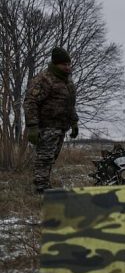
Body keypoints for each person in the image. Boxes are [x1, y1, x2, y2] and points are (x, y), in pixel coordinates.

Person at [24, 47, 79, 193]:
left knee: (52, 157)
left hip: (61, 126)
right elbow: (31, 102)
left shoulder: (68, 82)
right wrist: (33, 126)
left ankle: (44, 184)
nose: (67, 67)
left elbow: (70, 104)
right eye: (64, 64)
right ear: (56, 64)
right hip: (47, 126)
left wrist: (74, 122)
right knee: (45, 157)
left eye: (69, 64)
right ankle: (41, 188)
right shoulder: (44, 79)